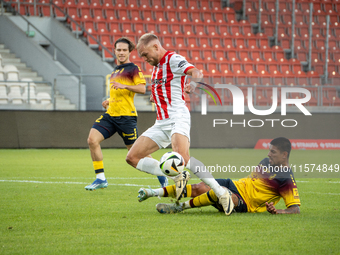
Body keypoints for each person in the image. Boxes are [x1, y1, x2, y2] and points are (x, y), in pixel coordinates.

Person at [125, 33, 234, 215]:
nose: (144, 59)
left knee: (181, 158)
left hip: (177, 116)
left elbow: (196, 72)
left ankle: (221, 192)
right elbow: (165, 89)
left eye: (145, 54)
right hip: (161, 122)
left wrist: (193, 84)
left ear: (156, 47)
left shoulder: (173, 59)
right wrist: (155, 97)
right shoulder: (157, 69)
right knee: (132, 157)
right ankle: (180, 176)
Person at [138, 137, 301, 215]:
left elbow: (295, 209)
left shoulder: (286, 179)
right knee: (199, 186)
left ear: (284, 155)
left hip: (244, 203)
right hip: (235, 185)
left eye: (273, 152)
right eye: (269, 150)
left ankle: (178, 208)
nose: (268, 154)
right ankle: (152, 192)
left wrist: (278, 211)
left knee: (219, 191)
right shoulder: (266, 161)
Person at [85, 37, 167, 190]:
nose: (121, 53)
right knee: (92, 140)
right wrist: (109, 100)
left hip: (126, 117)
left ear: (129, 52)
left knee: (137, 153)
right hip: (111, 115)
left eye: (124, 50)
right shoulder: (116, 70)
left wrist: (123, 85)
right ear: (115, 51)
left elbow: (142, 88)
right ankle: (100, 179)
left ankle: (161, 173)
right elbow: (120, 92)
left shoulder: (133, 69)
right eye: (118, 50)